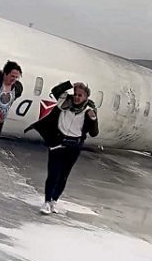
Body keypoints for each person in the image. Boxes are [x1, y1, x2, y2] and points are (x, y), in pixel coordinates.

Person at [25, 81, 98, 215]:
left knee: (63, 176)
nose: (76, 97)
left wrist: (93, 120)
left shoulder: (89, 111)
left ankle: (54, 201)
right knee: (53, 173)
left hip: (74, 146)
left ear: (86, 97)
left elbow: (94, 133)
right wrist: (70, 84)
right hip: (58, 142)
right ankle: (46, 201)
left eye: (80, 95)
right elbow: (55, 89)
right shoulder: (64, 103)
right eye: (75, 94)